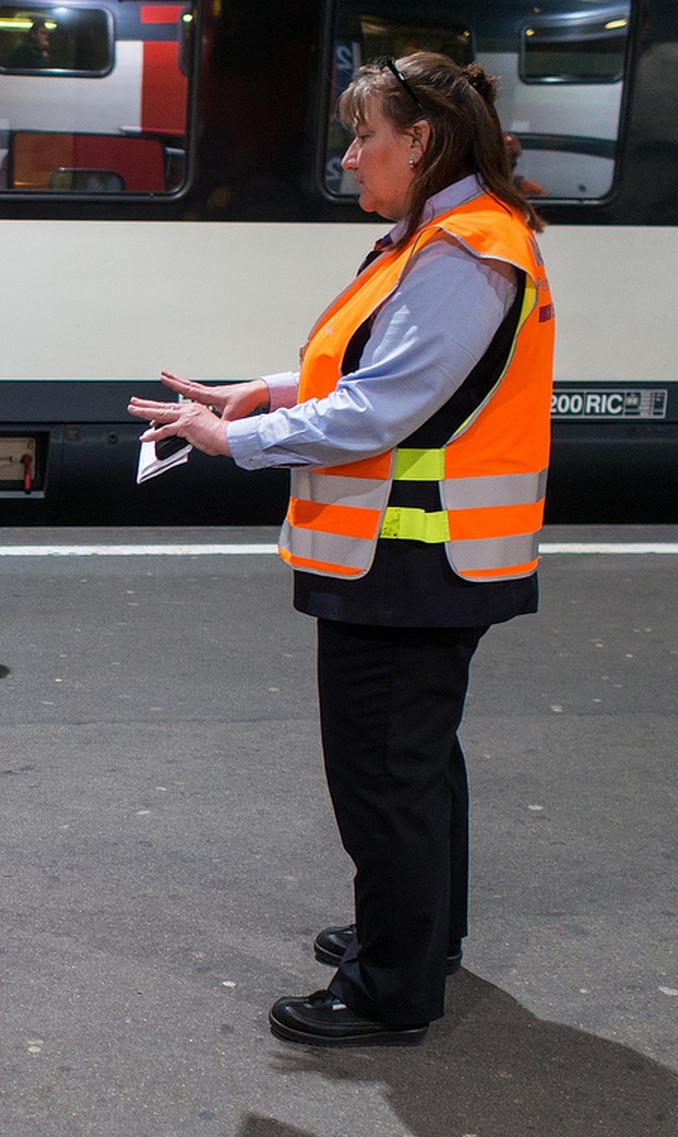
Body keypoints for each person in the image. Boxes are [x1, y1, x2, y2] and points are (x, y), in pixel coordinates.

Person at [129, 52, 553, 1046]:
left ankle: (389, 988)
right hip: (423, 564)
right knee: (415, 766)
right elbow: (375, 368)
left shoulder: (461, 251)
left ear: (425, 143)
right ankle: (420, 936)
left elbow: (379, 409)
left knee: (384, 778)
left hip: (409, 567)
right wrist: (265, 393)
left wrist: (236, 441)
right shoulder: (445, 238)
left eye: (367, 137)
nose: (353, 158)